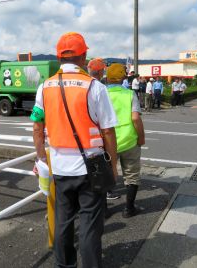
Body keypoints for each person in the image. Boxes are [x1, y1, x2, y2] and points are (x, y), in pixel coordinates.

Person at [31, 32, 118, 268]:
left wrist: (41, 160)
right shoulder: (95, 87)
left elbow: (37, 128)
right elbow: (108, 132)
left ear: (59, 57)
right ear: (83, 56)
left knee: (63, 222)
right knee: (90, 225)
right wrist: (113, 167)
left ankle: (65, 265)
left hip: (59, 168)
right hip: (91, 166)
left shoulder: (45, 87)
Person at [106, 63, 145, 218]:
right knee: (131, 175)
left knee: (105, 175)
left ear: (107, 77)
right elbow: (135, 118)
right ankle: (129, 209)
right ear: (123, 77)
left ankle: (104, 211)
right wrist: (141, 137)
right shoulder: (129, 94)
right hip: (129, 140)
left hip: (107, 142)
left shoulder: (100, 93)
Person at [87, 58, 121, 201]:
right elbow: (107, 130)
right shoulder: (98, 88)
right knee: (99, 178)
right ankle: (107, 195)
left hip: (68, 151)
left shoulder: (80, 85)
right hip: (96, 145)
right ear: (101, 72)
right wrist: (113, 165)